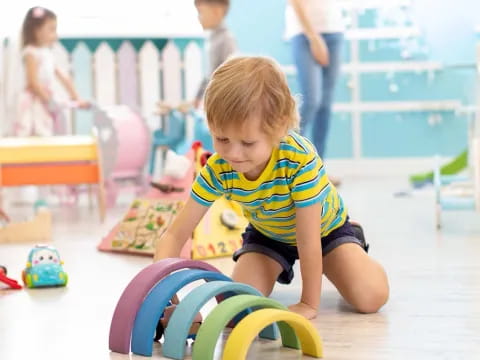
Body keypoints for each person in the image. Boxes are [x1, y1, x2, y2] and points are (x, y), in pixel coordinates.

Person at [154, 56, 389, 319]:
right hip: (269, 234)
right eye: (222, 138)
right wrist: (165, 297)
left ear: (278, 129)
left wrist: (309, 303)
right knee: (234, 307)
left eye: (248, 142)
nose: (233, 153)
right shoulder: (219, 168)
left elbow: (307, 238)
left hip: (323, 231)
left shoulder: (298, 159)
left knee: (370, 297)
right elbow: (175, 235)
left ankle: (352, 244)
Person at [286, 0, 344, 183]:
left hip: (334, 29)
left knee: (325, 106)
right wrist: (314, 37)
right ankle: (286, 164)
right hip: (303, 33)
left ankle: (318, 170)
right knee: (311, 100)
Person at [14, 6, 88, 136]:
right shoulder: (31, 53)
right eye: (51, 29)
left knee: (47, 131)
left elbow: (64, 77)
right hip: (34, 101)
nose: (55, 34)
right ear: (36, 31)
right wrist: (49, 101)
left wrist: (76, 98)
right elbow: (32, 82)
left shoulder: (47, 53)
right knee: (34, 132)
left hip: (45, 98)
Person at [157, 0, 236, 114]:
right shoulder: (213, 39)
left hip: (218, 107)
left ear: (217, 11)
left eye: (200, 12)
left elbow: (225, 79)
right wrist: (188, 104)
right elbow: (210, 77)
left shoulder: (226, 40)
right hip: (208, 104)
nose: (199, 18)